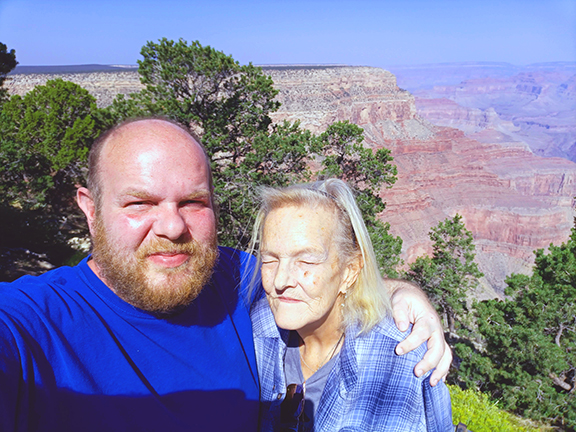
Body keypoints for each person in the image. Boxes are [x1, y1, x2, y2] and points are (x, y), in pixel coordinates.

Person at [0, 118, 450, 431]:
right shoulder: (32, 324)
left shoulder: (230, 278)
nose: (173, 227)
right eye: (140, 203)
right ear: (90, 208)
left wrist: (402, 292)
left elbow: (321, 279)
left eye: (192, 202)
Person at [250, 179, 453, 431]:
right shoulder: (255, 330)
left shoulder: (402, 360)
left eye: (306, 261)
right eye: (270, 259)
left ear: (349, 271)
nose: (280, 280)